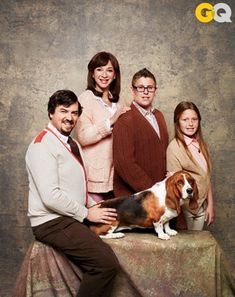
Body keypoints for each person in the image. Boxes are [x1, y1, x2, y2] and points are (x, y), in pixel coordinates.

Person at [25, 89, 120, 297]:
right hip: (51, 221)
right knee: (106, 263)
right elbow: (50, 196)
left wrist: (91, 205)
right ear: (51, 113)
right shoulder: (42, 145)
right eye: (64, 111)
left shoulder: (72, 143)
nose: (70, 117)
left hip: (68, 215)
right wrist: (87, 214)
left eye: (75, 113)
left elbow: (75, 185)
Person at [75, 51, 130, 202]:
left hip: (118, 176)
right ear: (92, 74)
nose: (104, 74)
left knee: (117, 223)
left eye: (109, 70)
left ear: (115, 75)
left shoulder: (119, 101)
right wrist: (111, 120)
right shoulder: (85, 99)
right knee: (99, 223)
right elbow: (83, 136)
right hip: (95, 178)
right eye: (99, 69)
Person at [113, 68, 169, 197]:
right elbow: (124, 164)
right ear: (133, 91)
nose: (145, 92)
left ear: (155, 91)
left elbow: (163, 153)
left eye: (150, 88)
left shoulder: (159, 116)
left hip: (160, 192)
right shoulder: (125, 120)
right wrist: (152, 190)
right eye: (140, 88)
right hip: (137, 197)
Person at [167, 101, 215, 230]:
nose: (190, 123)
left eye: (194, 119)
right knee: (187, 245)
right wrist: (182, 213)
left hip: (202, 206)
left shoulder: (202, 144)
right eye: (185, 119)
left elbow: (206, 177)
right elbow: (176, 186)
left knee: (198, 244)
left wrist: (210, 204)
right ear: (177, 122)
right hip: (186, 209)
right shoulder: (174, 148)